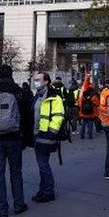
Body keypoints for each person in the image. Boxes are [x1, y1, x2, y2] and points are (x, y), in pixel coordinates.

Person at [0, 64, 33, 217]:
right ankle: (19, 204)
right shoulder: (19, 92)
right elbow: (28, 116)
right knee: (16, 172)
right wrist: (27, 138)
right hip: (15, 138)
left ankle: (2, 208)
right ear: (11, 74)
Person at [31, 72, 65, 203]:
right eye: (35, 80)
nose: (36, 82)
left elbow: (59, 115)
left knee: (43, 164)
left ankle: (49, 191)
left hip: (46, 135)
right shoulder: (38, 96)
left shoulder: (54, 96)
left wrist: (51, 132)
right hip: (36, 135)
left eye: (38, 80)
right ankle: (43, 190)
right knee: (42, 164)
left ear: (46, 81)